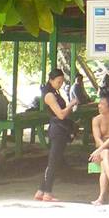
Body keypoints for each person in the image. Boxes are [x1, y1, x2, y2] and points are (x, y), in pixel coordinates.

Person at [35, 68, 79, 202]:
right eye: (58, 82)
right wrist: (71, 104)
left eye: (62, 82)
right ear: (51, 80)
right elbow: (60, 114)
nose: (60, 84)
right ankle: (47, 192)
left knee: (55, 160)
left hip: (61, 129)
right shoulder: (49, 95)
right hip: (57, 129)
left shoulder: (55, 92)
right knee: (53, 162)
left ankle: (41, 190)